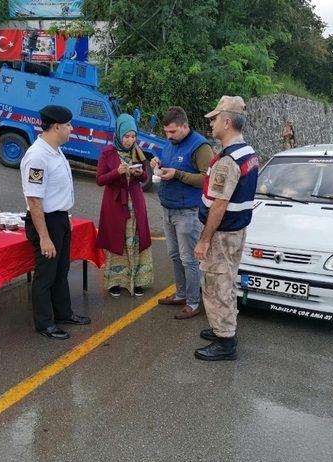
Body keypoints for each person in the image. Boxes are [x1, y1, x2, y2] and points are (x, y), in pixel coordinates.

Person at [194, 96, 259, 361]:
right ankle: (224, 328)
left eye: (215, 119)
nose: (211, 124)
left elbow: (218, 206)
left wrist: (204, 240)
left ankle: (225, 341)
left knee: (216, 283)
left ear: (227, 121)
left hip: (222, 233)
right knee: (227, 279)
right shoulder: (248, 153)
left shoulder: (228, 161)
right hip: (236, 231)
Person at [20, 105, 91, 340]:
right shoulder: (37, 156)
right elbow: (34, 198)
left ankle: (63, 313)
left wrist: (65, 217)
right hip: (46, 221)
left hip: (59, 218)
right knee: (46, 275)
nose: (72, 129)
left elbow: (56, 190)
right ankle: (45, 323)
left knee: (61, 271)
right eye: (69, 125)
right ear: (57, 127)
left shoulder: (55, 149)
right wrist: (44, 236)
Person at [150, 106, 213, 319]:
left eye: (173, 132)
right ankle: (180, 294)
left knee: (189, 259)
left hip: (188, 212)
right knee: (175, 255)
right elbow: (168, 162)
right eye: (166, 132)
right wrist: (157, 163)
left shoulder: (201, 147)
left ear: (185, 126)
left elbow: (207, 180)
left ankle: (194, 303)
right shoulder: (171, 143)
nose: (168, 136)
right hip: (168, 207)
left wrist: (177, 174)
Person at [96, 114, 153, 297]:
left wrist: (139, 174)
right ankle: (115, 282)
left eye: (133, 136)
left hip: (135, 204)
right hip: (115, 204)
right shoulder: (107, 152)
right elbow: (100, 179)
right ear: (119, 134)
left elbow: (145, 177)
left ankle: (138, 282)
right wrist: (116, 172)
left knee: (136, 240)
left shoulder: (137, 151)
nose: (130, 140)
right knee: (116, 240)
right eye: (126, 136)